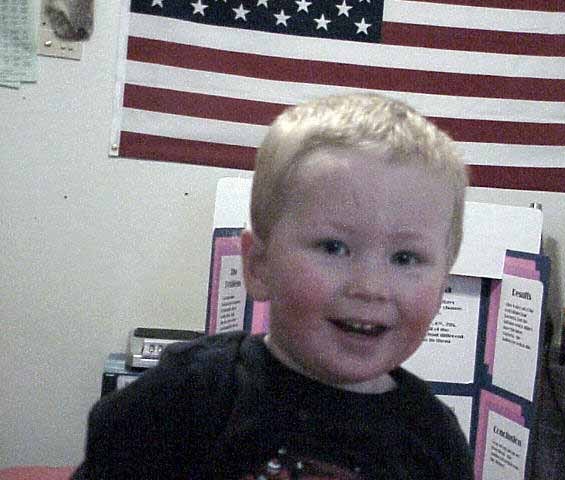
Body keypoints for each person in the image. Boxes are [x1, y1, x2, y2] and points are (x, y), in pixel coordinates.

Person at [72, 93, 473, 479]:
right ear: (259, 266)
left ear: (443, 284)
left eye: (405, 258)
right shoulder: (187, 395)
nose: (371, 287)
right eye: (334, 247)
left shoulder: (435, 440)